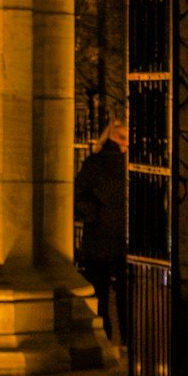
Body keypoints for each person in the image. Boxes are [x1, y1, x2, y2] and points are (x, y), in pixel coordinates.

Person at [75, 118, 130, 340]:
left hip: (102, 236)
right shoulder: (113, 164)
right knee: (117, 294)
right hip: (114, 237)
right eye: (123, 137)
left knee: (103, 293)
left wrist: (94, 216)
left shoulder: (96, 163)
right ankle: (124, 339)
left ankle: (107, 337)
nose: (126, 143)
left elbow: (78, 195)